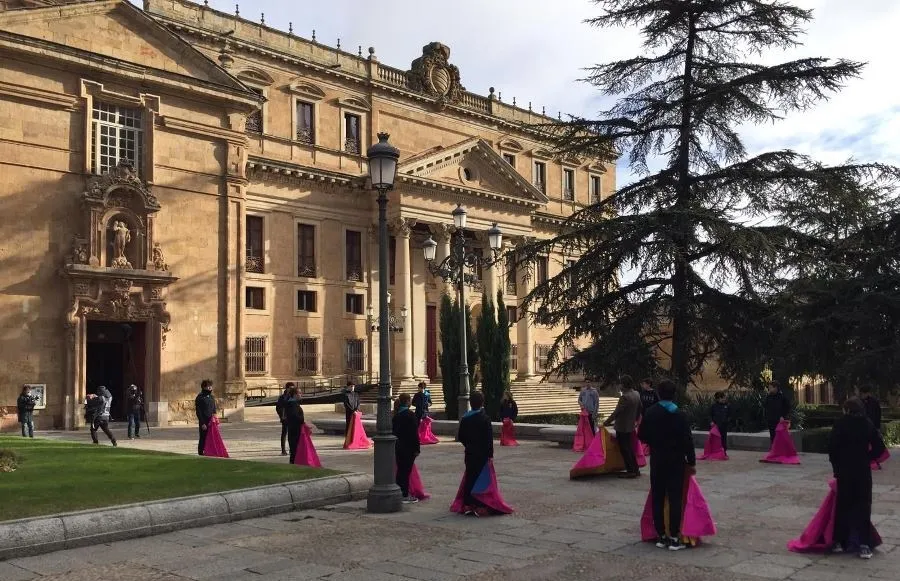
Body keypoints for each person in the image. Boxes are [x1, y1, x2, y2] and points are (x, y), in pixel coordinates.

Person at [639, 379, 696, 551]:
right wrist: (691, 461)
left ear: (658, 393)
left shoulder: (650, 413)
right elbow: (688, 440)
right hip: (676, 460)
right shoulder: (680, 414)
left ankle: (661, 535)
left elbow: (641, 435)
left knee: (657, 496)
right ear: (674, 394)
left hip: (657, 459)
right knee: (675, 498)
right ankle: (674, 536)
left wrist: (655, 442)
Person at [828, 397, 886, 559]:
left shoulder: (840, 424)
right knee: (863, 505)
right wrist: (867, 457)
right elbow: (880, 447)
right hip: (862, 470)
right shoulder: (867, 423)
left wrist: (837, 468)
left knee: (843, 506)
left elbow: (832, 448)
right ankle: (864, 545)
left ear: (846, 410)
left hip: (845, 471)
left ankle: (839, 542)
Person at [456, 391, 494, 516]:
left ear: (471, 403)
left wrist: (469, 445)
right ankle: (480, 505)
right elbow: (489, 439)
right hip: (482, 454)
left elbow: (461, 436)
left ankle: (468, 504)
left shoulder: (465, 418)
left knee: (470, 477)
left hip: (470, 453)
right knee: (481, 479)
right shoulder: (485, 419)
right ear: (482, 403)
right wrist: (490, 454)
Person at [604, 375, 642, 478]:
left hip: (622, 426)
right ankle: (635, 469)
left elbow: (616, 413)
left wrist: (606, 422)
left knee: (625, 449)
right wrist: (636, 420)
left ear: (624, 385)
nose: (619, 385)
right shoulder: (636, 394)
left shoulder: (625, 397)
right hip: (630, 426)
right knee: (629, 448)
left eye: (620, 383)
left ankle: (631, 471)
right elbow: (640, 409)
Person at [393, 393, 421, 504]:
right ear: (407, 401)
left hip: (398, 446)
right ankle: (404, 494)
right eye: (410, 400)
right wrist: (417, 448)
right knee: (406, 471)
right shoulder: (410, 415)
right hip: (409, 447)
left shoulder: (396, 415)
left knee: (400, 471)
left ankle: (399, 492)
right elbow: (414, 434)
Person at [281, 384, 305, 464]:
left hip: (294, 430)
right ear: (295, 395)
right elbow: (295, 417)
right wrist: (302, 421)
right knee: (294, 450)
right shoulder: (292, 404)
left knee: (295, 450)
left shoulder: (293, 403)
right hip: (295, 430)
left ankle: (294, 463)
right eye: (299, 393)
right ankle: (293, 464)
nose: (301, 395)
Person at [195, 379, 216, 456]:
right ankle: (201, 452)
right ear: (204, 387)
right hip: (204, 421)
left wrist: (215, 418)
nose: (210, 388)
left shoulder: (211, 397)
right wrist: (202, 423)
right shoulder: (200, 398)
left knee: (212, 437)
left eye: (211, 386)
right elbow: (198, 412)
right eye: (208, 386)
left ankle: (210, 450)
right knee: (203, 437)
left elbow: (214, 409)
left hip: (211, 421)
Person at [275, 384, 292, 456]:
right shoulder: (282, 397)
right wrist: (281, 416)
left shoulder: (292, 396)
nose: (291, 390)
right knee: (284, 434)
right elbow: (278, 408)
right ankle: (283, 450)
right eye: (290, 388)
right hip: (285, 417)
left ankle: (292, 449)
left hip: (292, 417)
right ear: (287, 388)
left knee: (292, 434)